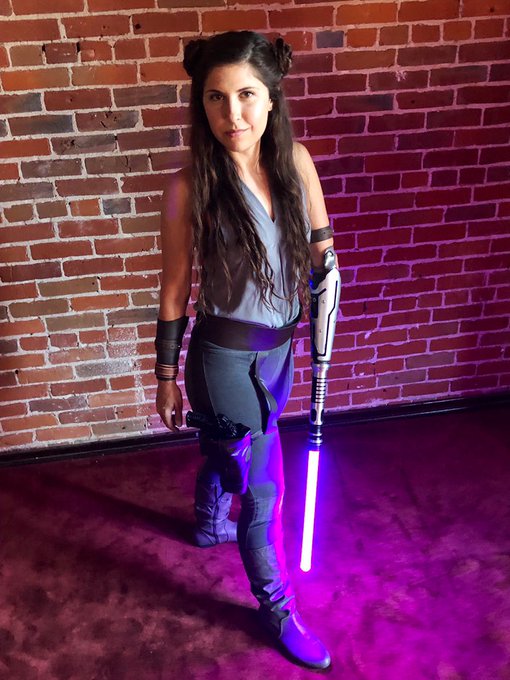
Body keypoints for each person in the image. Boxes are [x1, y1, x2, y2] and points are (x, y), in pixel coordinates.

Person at [155, 30, 336, 670]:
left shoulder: (297, 164)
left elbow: (322, 251)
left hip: (281, 354)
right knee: (262, 490)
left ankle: (209, 520)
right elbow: (174, 289)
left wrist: (327, 293)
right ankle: (277, 607)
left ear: (272, 97)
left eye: (247, 95)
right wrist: (165, 376)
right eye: (216, 98)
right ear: (201, 104)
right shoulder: (189, 187)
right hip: (223, 361)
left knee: (228, 450)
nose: (232, 114)